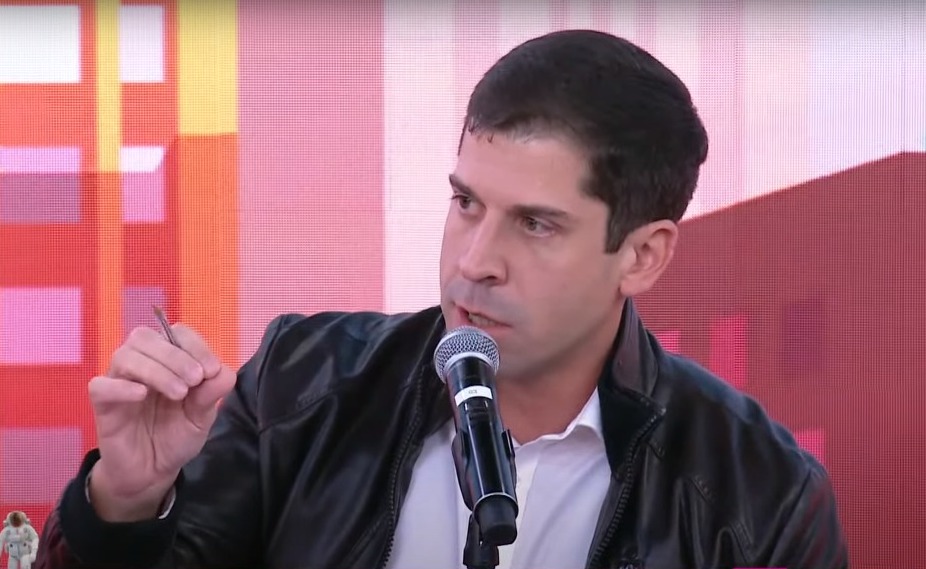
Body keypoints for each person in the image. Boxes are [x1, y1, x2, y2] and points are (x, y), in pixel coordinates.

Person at [35, 29, 848, 569]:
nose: (475, 260)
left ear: (642, 254)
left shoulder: (762, 496)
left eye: (535, 223)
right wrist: (126, 501)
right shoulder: (299, 382)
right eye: (466, 202)